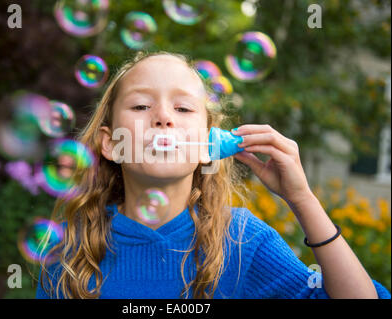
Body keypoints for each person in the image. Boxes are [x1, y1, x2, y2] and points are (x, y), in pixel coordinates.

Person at [36, 51, 391, 299]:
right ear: (111, 144)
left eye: (183, 108)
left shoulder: (241, 242)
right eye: (142, 105)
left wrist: (302, 200)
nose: (163, 117)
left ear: (209, 144)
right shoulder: (70, 251)